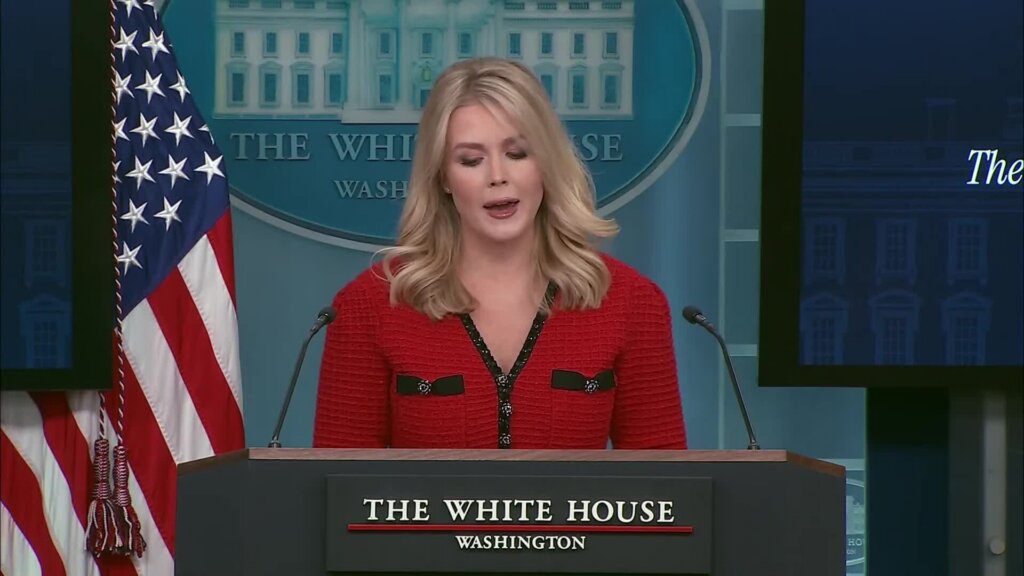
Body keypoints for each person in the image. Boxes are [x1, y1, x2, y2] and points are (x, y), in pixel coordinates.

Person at [313, 57, 686, 450]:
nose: (497, 176)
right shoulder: (368, 305)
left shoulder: (632, 301)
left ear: (547, 163)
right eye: (471, 160)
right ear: (442, 177)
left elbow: (665, 493)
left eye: (518, 153)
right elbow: (339, 492)